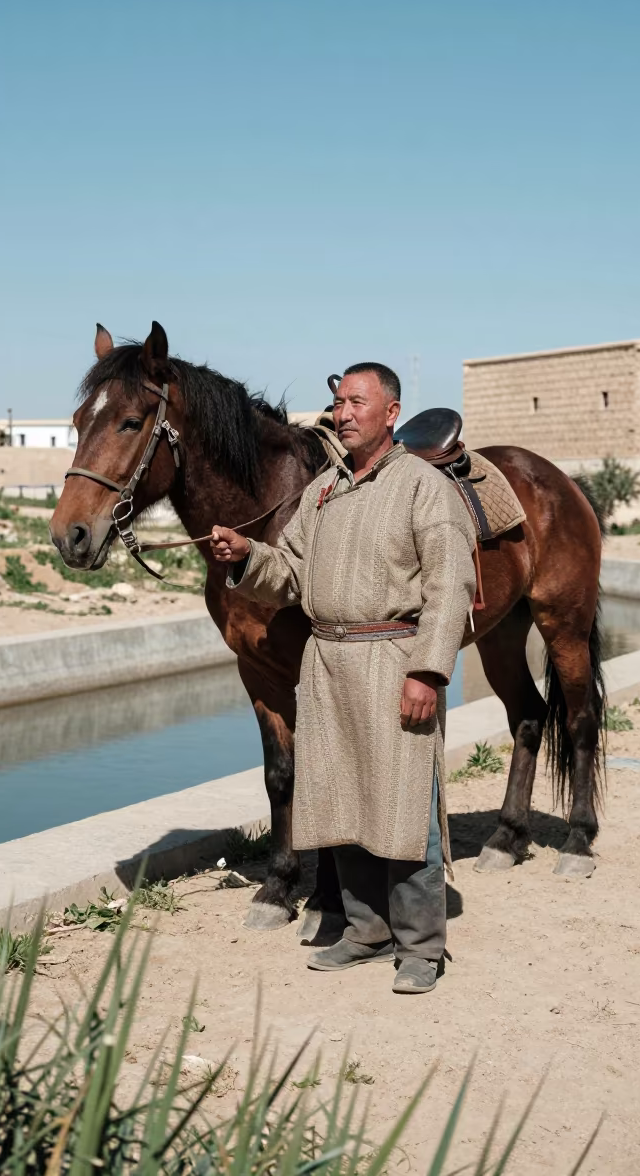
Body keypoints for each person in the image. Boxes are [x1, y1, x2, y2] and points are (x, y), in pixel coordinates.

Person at [211, 363, 476, 994]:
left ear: (391, 413)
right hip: (326, 663)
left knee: (402, 805)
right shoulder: (323, 491)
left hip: (394, 661)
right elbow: (292, 576)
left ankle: (419, 947)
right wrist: (250, 558)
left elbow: (449, 587)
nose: (343, 412)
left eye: (358, 401)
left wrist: (428, 671)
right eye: (338, 402)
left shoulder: (422, 487)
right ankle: (365, 931)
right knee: (343, 800)